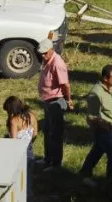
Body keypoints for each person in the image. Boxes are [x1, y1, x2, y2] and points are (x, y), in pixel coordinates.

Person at [80, 64, 112, 187]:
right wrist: (104, 127)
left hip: (111, 128)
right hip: (103, 130)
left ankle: (84, 173)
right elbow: (91, 117)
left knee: (97, 150)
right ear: (105, 79)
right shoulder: (96, 94)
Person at [38, 38, 71, 169]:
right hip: (47, 100)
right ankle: (47, 158)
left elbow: (65, 85)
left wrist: (68, 99)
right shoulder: (47, 60)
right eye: (41, 53)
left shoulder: (58, 63)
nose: (43, 55)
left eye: (45, 53)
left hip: (56, 101)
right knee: (47, 130)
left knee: (55, 133)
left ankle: (56, 163)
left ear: (52, 50)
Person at [4, 96, 37, 196]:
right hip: (29, 149)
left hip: (18, 152)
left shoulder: (14, 121)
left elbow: (14, 141)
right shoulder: (32, 116)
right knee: (28, 179)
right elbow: (35, 134)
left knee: (17, 179)